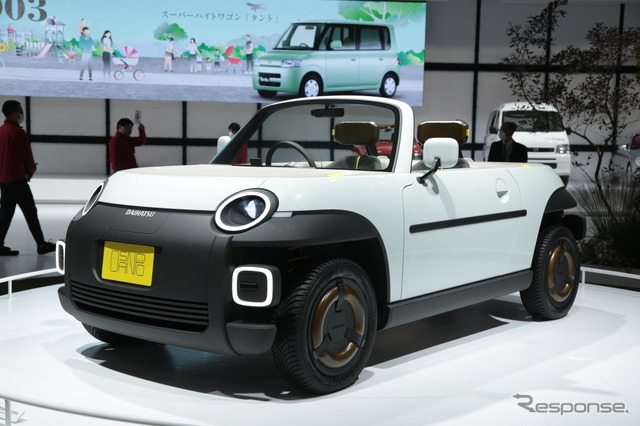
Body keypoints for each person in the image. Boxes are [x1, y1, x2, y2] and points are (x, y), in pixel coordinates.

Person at [0, 100, 55, 255]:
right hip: (17, 178)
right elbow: (26, 154)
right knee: (30, 211)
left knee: (5, 213)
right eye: (19, 110)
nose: (21, 113)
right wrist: (31, 168)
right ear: (13, 113)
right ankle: (41, 245)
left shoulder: (1, 131)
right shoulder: (18, 132)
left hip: (4, 179)